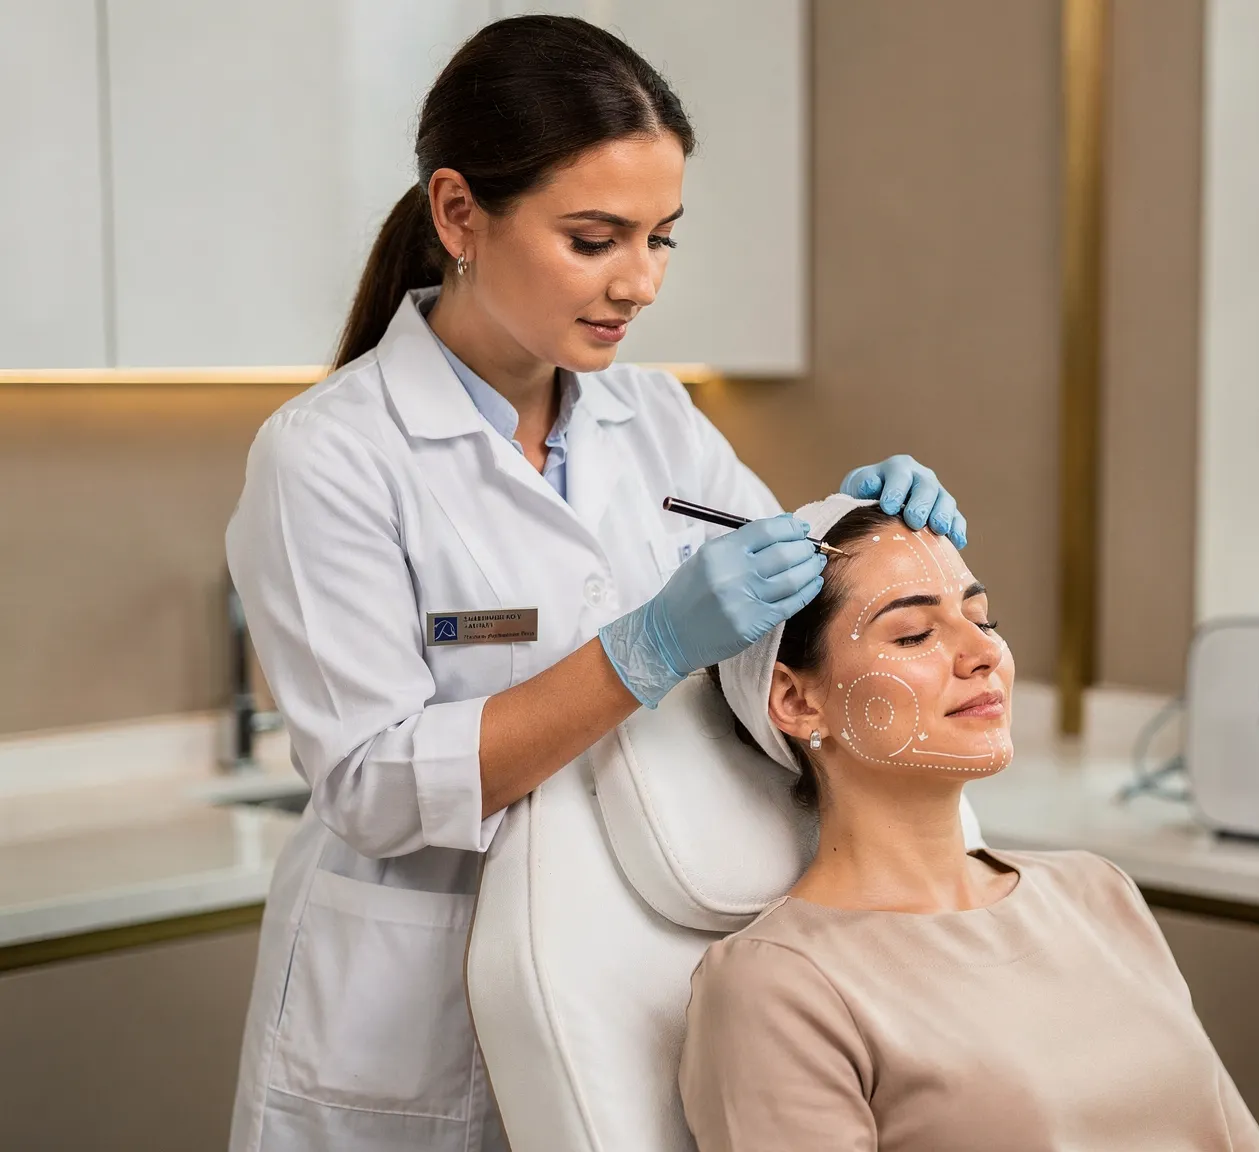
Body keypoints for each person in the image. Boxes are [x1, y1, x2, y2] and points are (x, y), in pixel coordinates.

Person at [222, 17, 968, 1151]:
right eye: (594, 238)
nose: (640, 281)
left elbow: (788, 639)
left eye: (663, 237)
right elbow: (372, 786)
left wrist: (857, 532)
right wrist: (642, 651)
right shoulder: (327, 455)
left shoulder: (656, 419)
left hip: (631, 975)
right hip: (413, 1021)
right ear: (459, 212)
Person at [681, 495, 1259, 1152]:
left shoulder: (1095, 892)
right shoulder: (776, 988)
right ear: (796, 699)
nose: (981, 653)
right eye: (914, 635)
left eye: (984, 620)